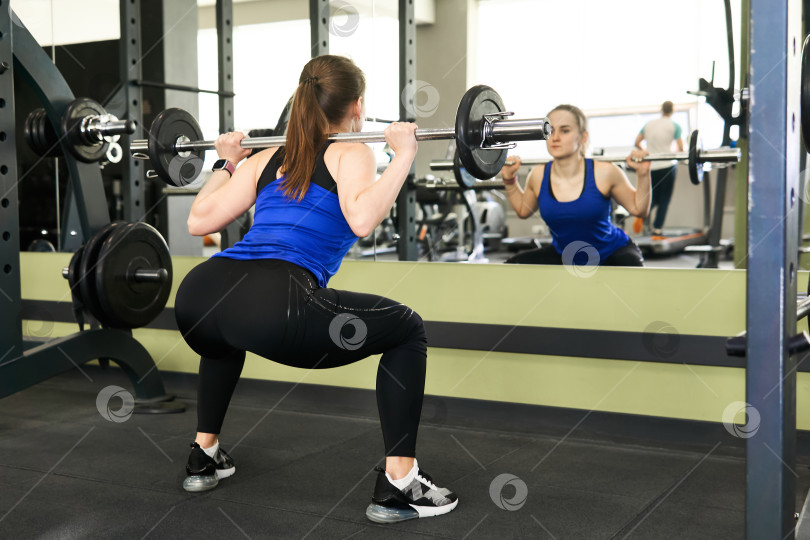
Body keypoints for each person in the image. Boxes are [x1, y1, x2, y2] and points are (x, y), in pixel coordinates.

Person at [173, 55, 457, 524]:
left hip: (200, 297)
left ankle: (204, 455)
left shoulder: (265, 158)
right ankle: (401, 483)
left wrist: (225, 163)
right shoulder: (352, 152)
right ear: (358, 106)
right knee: (407, 329)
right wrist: (404, 153)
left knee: (225, 339)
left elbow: (198, 219)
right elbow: (363, 219)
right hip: (274, 302)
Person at [500, 104, 649, 267]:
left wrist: (643, 175)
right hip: (564, 254)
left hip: (610, 252)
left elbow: (639, 209)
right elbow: (523, 210)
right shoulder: (537, 175)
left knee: (631, 266)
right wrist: (509, 180)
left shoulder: (605, 172)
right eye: (550, 130)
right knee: (512, 268)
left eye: (565, 130)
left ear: (583, 137)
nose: (555, 137)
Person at [634, 101, 684, 235]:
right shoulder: (675, 126)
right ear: (672, 111)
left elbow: (637, 142)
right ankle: (657, 229)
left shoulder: (649, 124)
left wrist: (645, 152)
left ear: (661, 109)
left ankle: (641, 214)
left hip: (651, 165)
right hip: (667, 165)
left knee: (653, 197)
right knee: (664, 200)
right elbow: (681, 147)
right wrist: (678, 155)